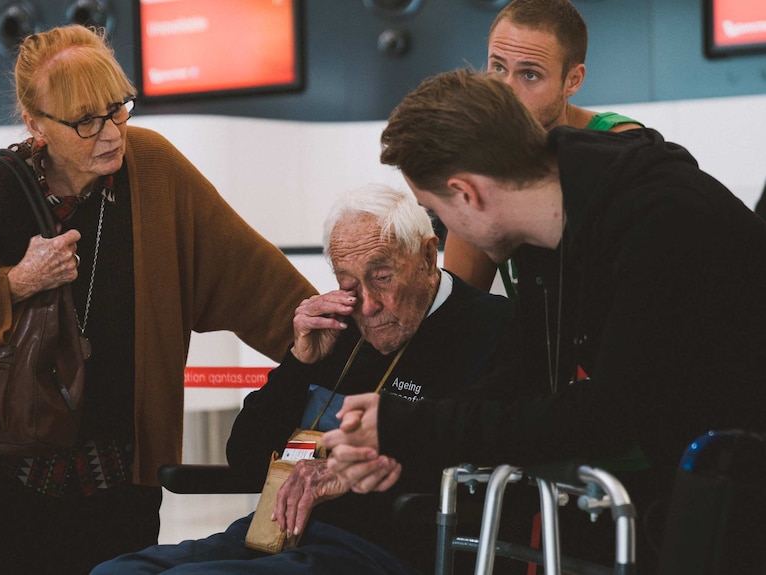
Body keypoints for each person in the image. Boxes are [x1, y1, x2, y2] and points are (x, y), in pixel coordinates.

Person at [0, 25, 316, 575]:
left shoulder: (154, 171)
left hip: (118, 479)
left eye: (117, 108)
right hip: (5, 478)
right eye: (85, 121)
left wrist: (339, 344)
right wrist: (12, 285)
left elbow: (251, 275)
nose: (110, 134)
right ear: (35, 124)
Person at [321, 69, 766, 572]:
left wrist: (412, 428)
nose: (447, 239)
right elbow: (527, 374)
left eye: (436, 213)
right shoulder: (547, 229)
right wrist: (402, 441)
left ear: (467, 193)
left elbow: (604, 414)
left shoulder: (659, 219)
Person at [91, 185, 512, 574]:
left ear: (426, 255)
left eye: (382, 277)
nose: (365, 305)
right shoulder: (339, 329)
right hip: (274, 534)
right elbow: (246, 454)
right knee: (115, 572)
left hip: (378, 547)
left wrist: (351, 473)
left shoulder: (490, 328)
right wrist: (300, 362)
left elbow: (478, 457)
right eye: (348, 283)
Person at [443, 0, 643, 293]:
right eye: (498, 67)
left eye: (529, 74)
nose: (505, 90)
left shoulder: (622, 147)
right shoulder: (479, 161)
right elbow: (460, 304)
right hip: (538, 336)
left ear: (573, 81)